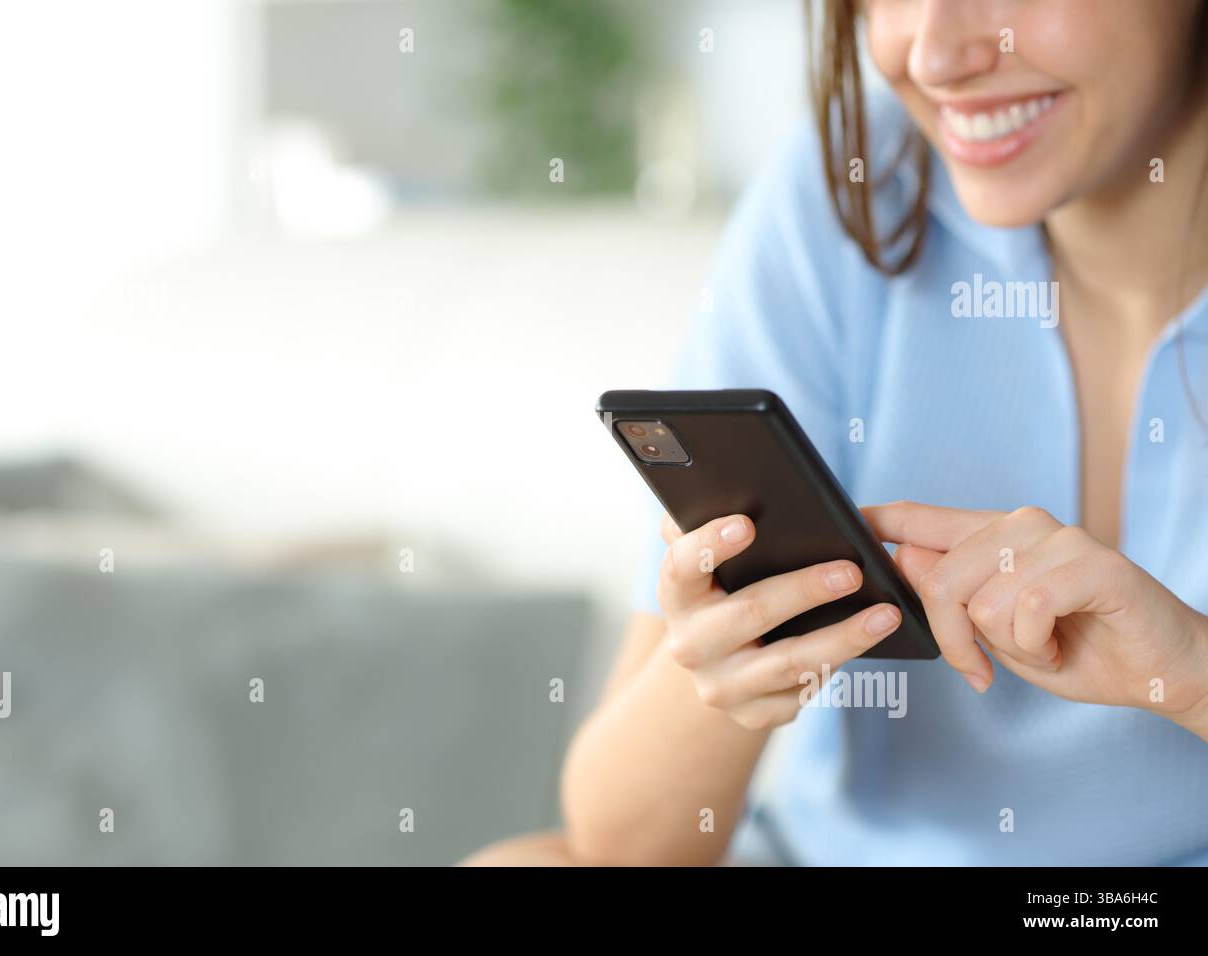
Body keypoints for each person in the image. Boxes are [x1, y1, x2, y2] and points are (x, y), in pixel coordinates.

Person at [464, 0, 1208, 866]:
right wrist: (719, 674)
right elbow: (623, 848)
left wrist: (1190, 668)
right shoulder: (854, 187)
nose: (935, 54)